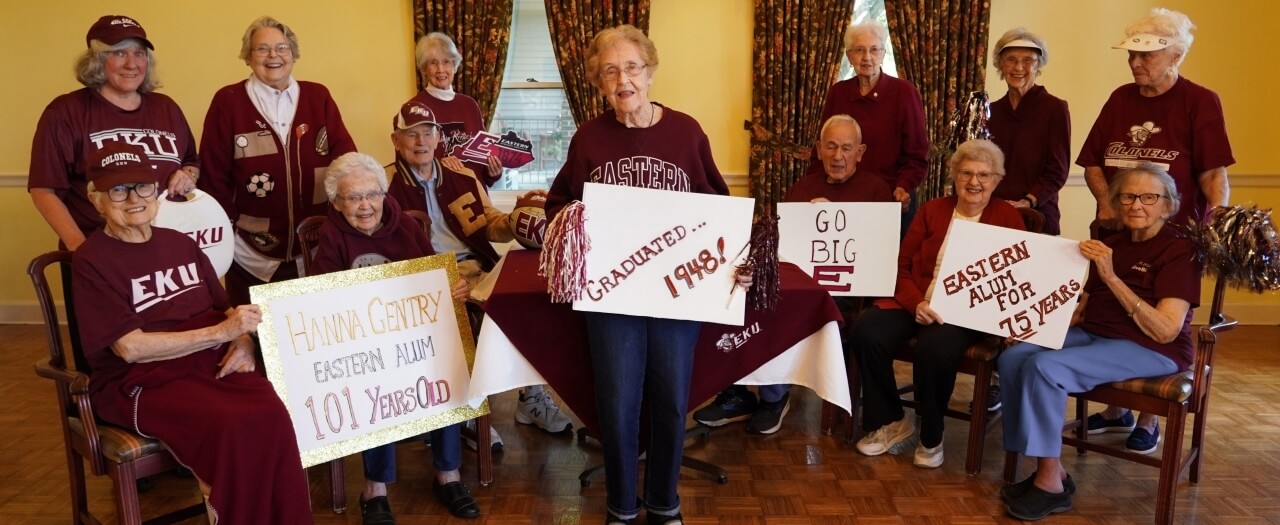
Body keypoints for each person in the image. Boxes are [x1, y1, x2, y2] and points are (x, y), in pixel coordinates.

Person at [544, 24, 749, 525]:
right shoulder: (589, 138)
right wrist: (573, 222)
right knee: (616, 405)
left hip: (678, 294)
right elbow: (558, 206)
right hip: (612, 298)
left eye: (631, 67)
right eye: (609, 71)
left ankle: (664, 502)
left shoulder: (686, 133)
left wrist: (734, 260)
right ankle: (620, 506)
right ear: (597, 82)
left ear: (651, 72)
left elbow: (719, 208)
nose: (622, 79)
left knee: (671, 401)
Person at [72, 142, 311, 524]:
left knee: (276, 412)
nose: (134, 198)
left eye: (143, 186)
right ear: (96, 199)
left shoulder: (179, 243)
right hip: (141, 382)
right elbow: (130, 349)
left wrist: (243, 343)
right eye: (118, 189)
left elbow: (227, 312)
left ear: (157, 191)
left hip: (209, 364)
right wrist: (223, 332)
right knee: (232, 426)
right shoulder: (91, 260)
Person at [998, 164, 1199, 521]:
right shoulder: (1113, 242)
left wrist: (1110, 276)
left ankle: (1050, 486)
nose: (1137, 204)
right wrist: (1033, 327)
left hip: (1151, 348)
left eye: (1149, 197)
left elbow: (1166, 329)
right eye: (1128, 196)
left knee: (1046, 368)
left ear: (1168, 205)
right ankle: (1052, 466)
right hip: (1096, 333)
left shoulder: (1179, 251)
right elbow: (1081, 307)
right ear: (1118, 203)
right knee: (1015, 358)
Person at [1076, 7, 1233, 453]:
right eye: (1132, 56)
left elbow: (1213, 173)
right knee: (1108, 308)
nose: (1136, 64)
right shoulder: (1121, 98)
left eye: (1147, 56)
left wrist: (1216, 217)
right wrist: (1107, 202)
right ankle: (1114, 409)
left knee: (1158, 320)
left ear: (1176, 55)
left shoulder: (1200, 101)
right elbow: (1092, 162)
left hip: (1172, 238)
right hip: (1115, 230)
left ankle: (1148, 418)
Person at [385, 100, 573, 442]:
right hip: (420, 276)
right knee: (462, 317)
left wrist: (518, 216)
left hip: (474, 266)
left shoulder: (461, 175)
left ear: (438, 137)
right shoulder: (383, 184)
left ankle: (530, 397)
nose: (420, 141)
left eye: (428, 132)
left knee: (526, 306)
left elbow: (490, 225)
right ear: (396, 140)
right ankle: (468, 412)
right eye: (411, 135)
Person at [694, 114, 893, 434]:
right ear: (818, 149)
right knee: (744, 296)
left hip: (844, 289)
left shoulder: (876, 190)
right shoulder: (804, 186)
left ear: (860, 151)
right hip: (797, 278)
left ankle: (774, 397)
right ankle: (737, 391)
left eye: (846, 147)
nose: (837, 156)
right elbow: (784, 246)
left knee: (787, 309)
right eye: (830, 146)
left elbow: (882, 252)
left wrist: (835, 219)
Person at [311, 152, 477, 523]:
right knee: (371, 380)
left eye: (372, 194)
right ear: (336, 202)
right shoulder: (332, 233)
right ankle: (374, 488)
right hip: (364, 345)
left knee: (446, 368)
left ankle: (448, 475)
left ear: (384, 194)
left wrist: (454, 288)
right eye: (353, 198)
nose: (365, 205)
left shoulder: (406, 226)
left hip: (414, 339)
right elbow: (321, 296)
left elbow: (435, 275)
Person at [848, 139, 1024, 469]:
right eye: (967, 173)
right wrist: (916, 302)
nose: (974, 182)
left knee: (934, 347)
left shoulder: (1007, 216)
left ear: (997, 179)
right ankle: (892, 421)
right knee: (866, 330)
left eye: (984, 175)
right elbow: (900, 264)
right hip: (916, 298)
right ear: (954, 176)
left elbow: (1016, 277)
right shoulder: (933, 210)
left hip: (966, 311)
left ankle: (932, 434)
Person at [198, 15, 357, 306]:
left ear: (293, 54)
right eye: (262, 49)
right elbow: (213, 177)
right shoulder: (228, 101)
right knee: (256, 340)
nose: (273, 56)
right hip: (249, 253)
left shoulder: (317, 96)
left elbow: (346, 160)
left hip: (317, 248)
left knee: (313, 333)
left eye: (282, 48)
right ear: (248, 57)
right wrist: (226, 238)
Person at [29, 14, 199, 251]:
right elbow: (44, 189)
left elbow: (191, 162)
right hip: (101, 252)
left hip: (166, 250)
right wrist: (80, 248)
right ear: (97, 60)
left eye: (139, 53)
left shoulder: (166, 108)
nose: (132, 63)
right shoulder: (66, 112)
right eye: (119, 53)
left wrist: (188, 174)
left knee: (251, 289)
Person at [810, 21, 928, 231]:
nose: (867, 57)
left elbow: (916, 156)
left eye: (874, 50)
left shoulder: (904, 92)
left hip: (888, 202)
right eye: (859, 50)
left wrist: (904, 187)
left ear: (883, 54)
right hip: (841, 201)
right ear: (849, 56)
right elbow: (822, 149)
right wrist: (812, 189)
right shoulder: (838, 92)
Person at [987, 28, 1070, 235]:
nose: (1019, 67)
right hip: (994, 214)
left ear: (1038, 65)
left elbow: (1057, 171)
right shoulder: (992, 111)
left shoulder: (1055, 108)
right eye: (1011, 59)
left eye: (1028, 60)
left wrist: (1027, 201)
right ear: (1000, 64)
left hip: (1038, 215)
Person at [410, 32, 505, 187]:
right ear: (424, 69)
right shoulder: (414, 109)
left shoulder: (470, 105)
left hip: (476, 199)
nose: (441, 69)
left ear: (454, 66)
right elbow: (408, 169)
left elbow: (482, 160)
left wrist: (492, 171)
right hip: (438, 202)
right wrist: (438, 166)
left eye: (446, 62)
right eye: (433, 63)